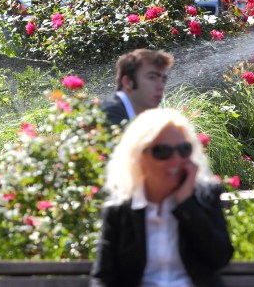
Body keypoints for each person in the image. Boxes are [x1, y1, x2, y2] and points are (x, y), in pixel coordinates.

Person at [91, 108, 234, 287]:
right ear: (138, 157)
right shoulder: (120, 211)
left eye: (183, 149)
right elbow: (104, 277)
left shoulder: (204, 197)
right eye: (162, 151)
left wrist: (186, 204)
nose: (175, 160)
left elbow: (220, 257)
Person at [100, 49, 174, 125]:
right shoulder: (108, 116)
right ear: (127, 82)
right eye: (152, 77)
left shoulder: (147, 119)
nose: (161, 87)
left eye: (163, 80)